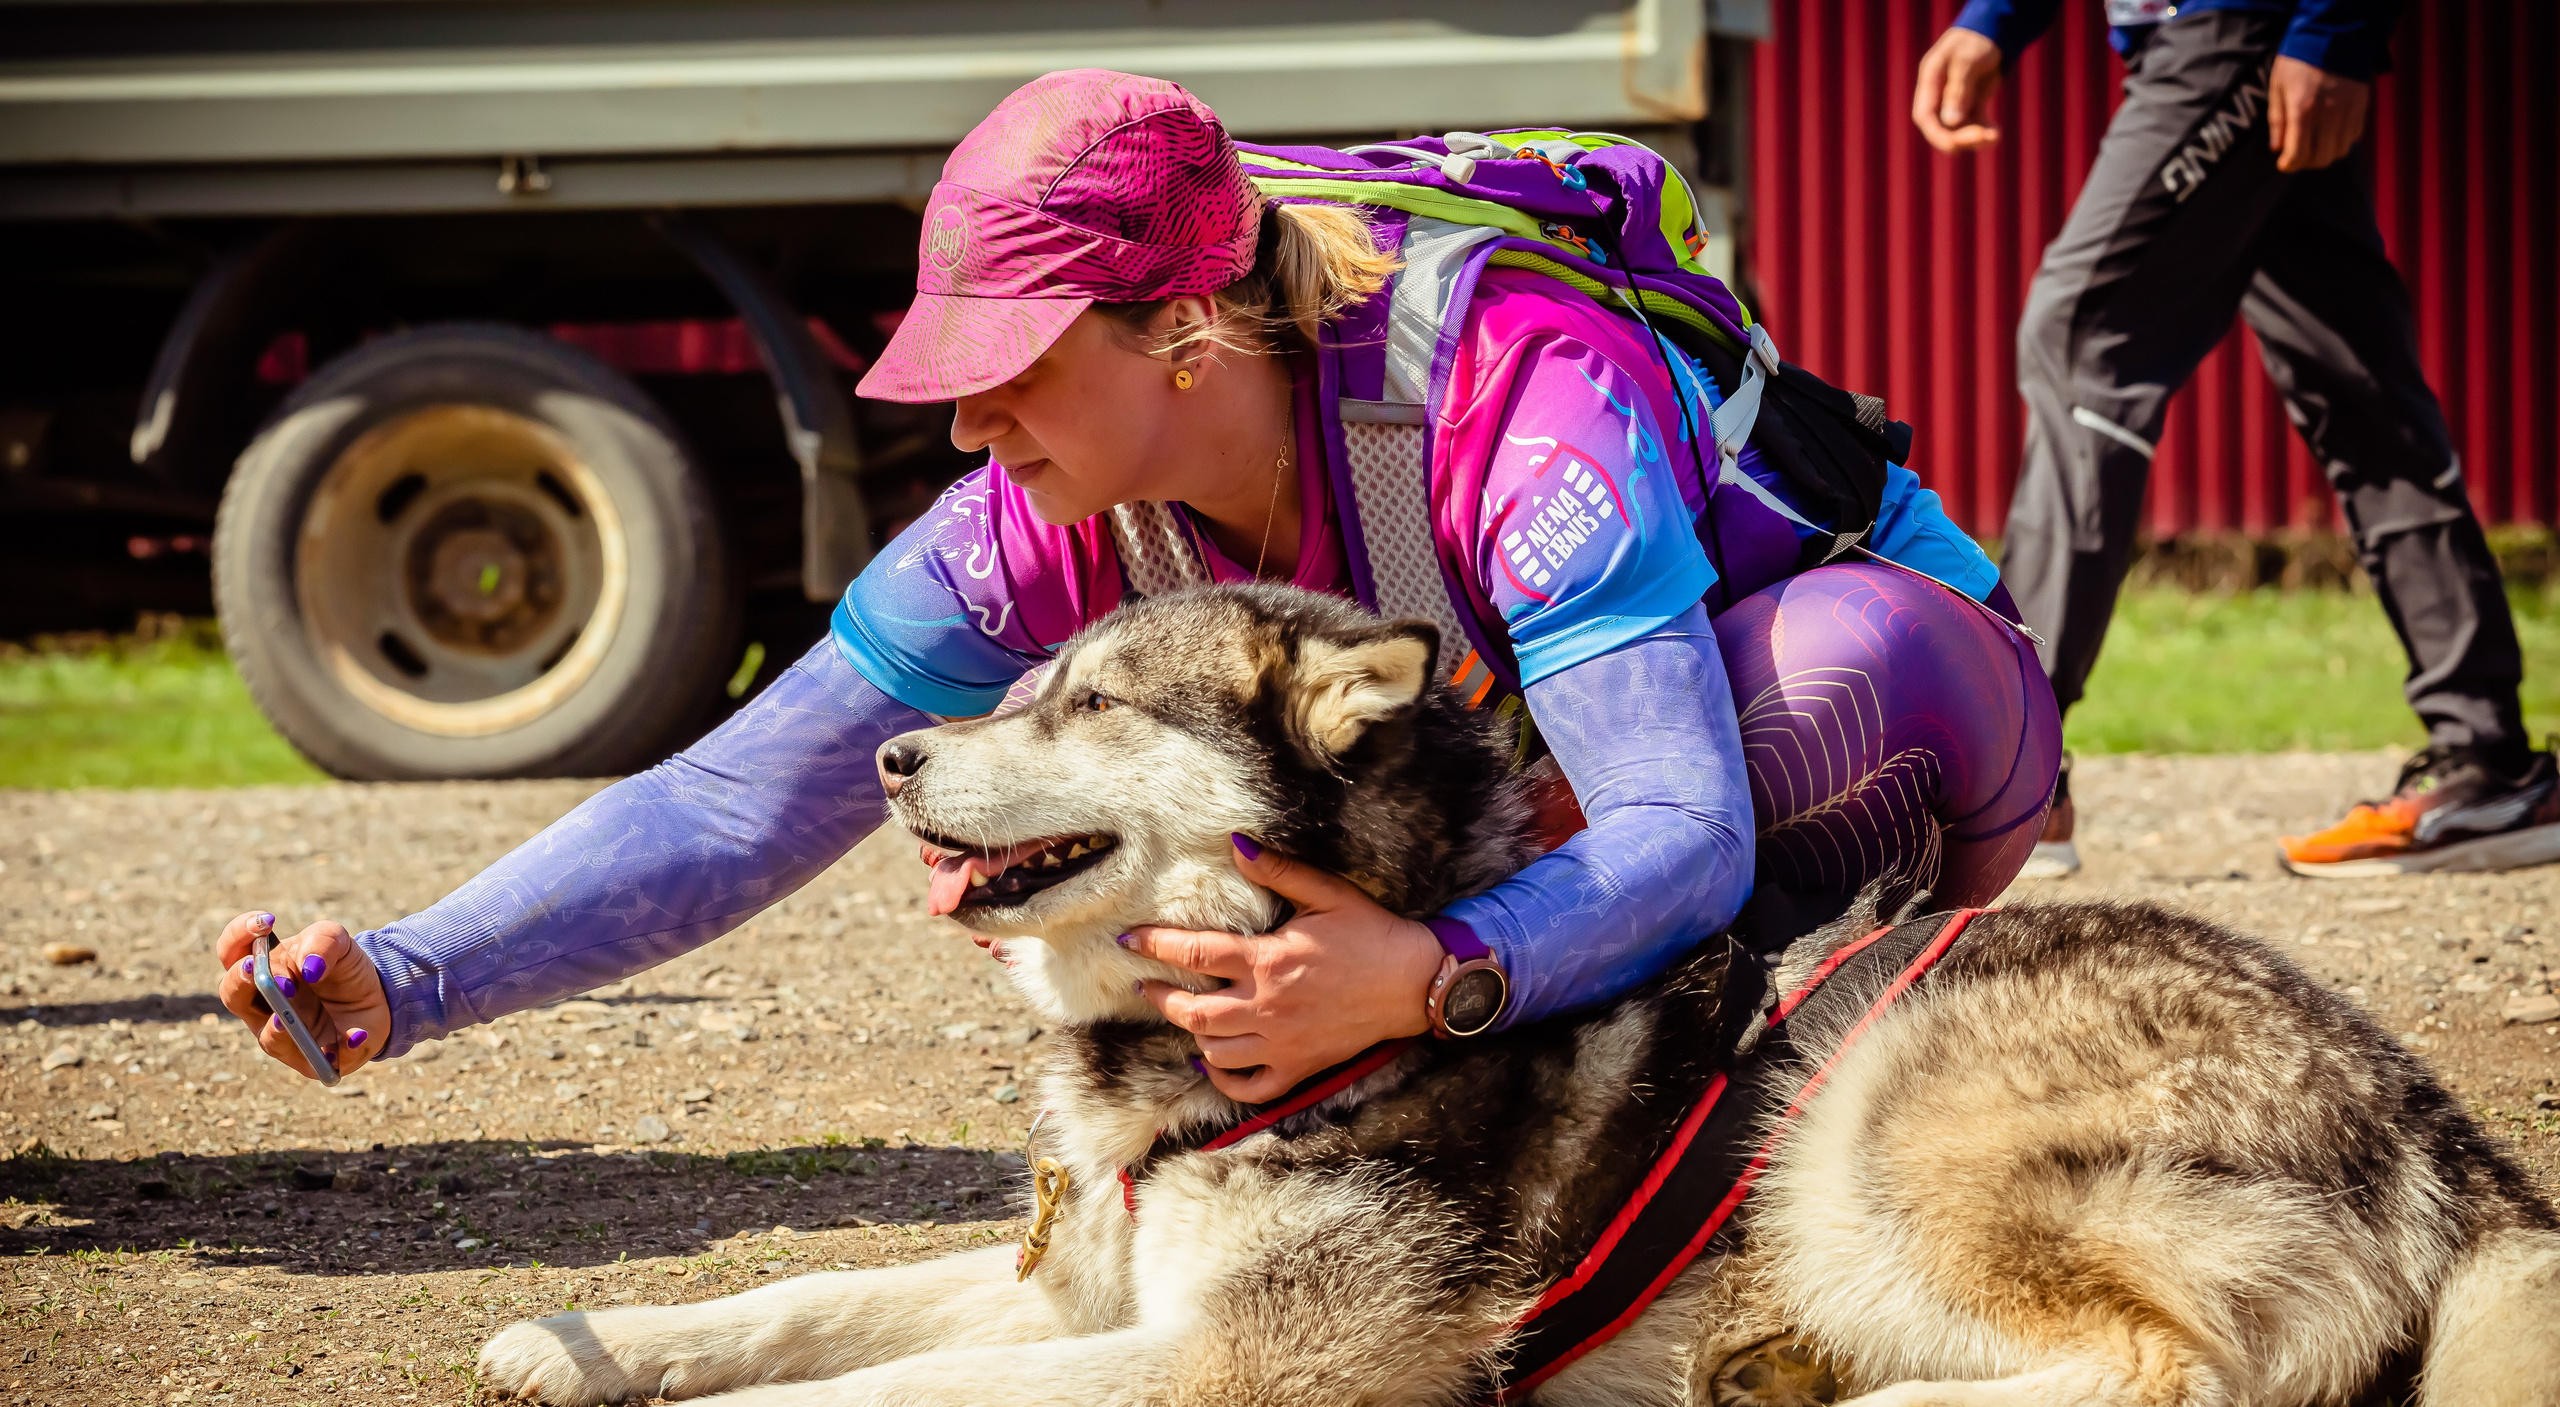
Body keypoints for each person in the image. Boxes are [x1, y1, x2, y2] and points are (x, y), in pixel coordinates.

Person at [214, 70, 2058, 1105]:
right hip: (1558, 803)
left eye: (1008, 359)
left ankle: (1834, 1078)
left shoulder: (1511, 382)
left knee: (1825, 679)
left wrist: (1431, 972)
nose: (970, 422)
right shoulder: (1061, 479)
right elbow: (737, 788)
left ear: (1185, 329)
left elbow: (1681, 817)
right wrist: (409, 970)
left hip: (1890, 715)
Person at [1915, 0, 2556, 879]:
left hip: (2239, 28)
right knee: (2359, 386)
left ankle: (2019, 773)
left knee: (2081, 339)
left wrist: (2335, 28)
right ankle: (2489, 761)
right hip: (2225, 40)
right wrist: (1995, 19)